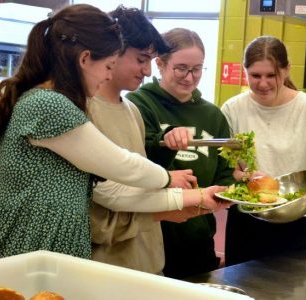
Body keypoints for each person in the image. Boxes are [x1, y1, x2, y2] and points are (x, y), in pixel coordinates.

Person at [0, 4, 224, 263]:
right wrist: (180, 187)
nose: (107, 75)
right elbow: (121, 166)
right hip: (31, 245)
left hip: (53, 249)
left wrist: (186, 196)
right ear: (84, 59)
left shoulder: (58, 103)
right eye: (107, 66)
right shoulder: (50, 105)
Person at [88, 6, 228, 274]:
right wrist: (175, 189)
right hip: (109, 263)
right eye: (142, 59)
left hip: (150, 259)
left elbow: (138, 183)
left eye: (197, 69)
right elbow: (109, 191)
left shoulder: (130, 111)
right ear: (112, 53)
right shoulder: (85, 110)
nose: (147, 69)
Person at [221, 36, 306, 266]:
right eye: (255, 75)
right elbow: (226, 169)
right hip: (245, 219)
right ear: (245, 72)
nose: (263, 83)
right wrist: (245, 177)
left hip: (294, 218)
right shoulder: (233, 109)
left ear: (286, 70)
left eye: (271, 75)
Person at [128, 28, 236, 279]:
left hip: (198, 241)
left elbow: (226, 173)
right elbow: (133, 171)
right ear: (160, 65)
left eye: (197, 69)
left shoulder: (213, 115)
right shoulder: (138, 105)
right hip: (151, 239)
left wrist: (232, 190)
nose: (189, 77)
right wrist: (164, 145)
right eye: (181, 68)